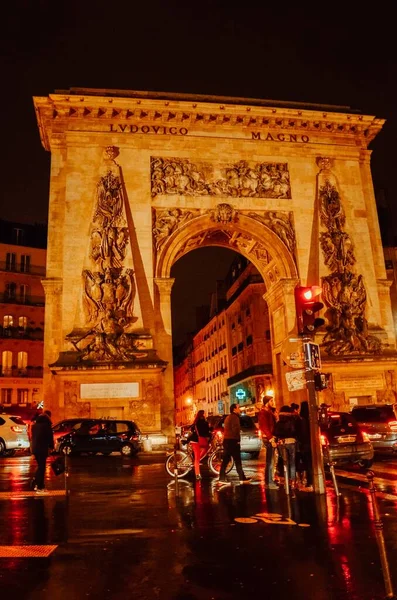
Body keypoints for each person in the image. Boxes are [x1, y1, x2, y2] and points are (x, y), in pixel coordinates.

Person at [217, 404, 251, 487]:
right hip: (232, 441)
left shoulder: (228, 417)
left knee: (228, 460)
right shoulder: (235, 418)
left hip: (227, 440)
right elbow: (236, 429)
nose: (239, 409)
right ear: (234, 409)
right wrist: (238, 440)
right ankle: (239, 478)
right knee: (235, 460)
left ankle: (241, 477)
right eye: (238, 407)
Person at [273, 406, 300, 490]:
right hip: (292, 442)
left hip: (282, 443)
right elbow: (296, 432)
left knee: (285, 462)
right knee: (292, 462)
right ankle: (293, 481)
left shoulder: (279, 423)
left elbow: (275, 433)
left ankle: (287, 480)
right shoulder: (293, 422)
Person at [31, 412, 54, 494]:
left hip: (35, 449)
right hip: (42, 449)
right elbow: (50, 438)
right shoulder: (47, 426)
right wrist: (51, 447)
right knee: (42, 467)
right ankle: (39, 486)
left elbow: (33, 438)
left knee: (40, 467)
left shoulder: (34, 426)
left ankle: (38, 483)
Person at [258, 395, 278, 489]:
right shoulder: (263, 413)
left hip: (269, 437)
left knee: (271, 460)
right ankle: (269, 482)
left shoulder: (268, 412)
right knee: (270, 461)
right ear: (266, 402)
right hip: (268, 438)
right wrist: (271, 438)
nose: (272, 402)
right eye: (271, 401)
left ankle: (269, 481)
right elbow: (264, 426)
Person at [189, 410, 211, 480]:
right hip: (197, 441)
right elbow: (205, 431)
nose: (205, 415)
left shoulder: (196, 421)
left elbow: (193, 429)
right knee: (197, 458)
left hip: (195, 440)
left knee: (206, 447)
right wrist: (210, 431)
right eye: (204, 414)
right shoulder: (202, 422)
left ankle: (196, 461)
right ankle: (197, 474)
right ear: (202, 415)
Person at [298, 401, 313, 491]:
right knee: (310, 464)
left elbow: (302, 433)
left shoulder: (302, 420)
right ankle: (311, 481)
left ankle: (310, 482)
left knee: (308, 465)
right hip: (311, 444)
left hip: (305, 445)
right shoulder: (310, 419)